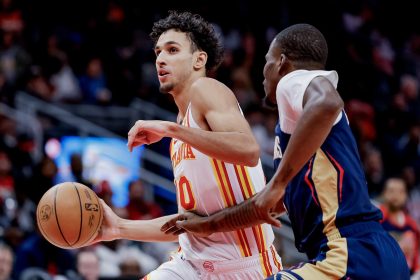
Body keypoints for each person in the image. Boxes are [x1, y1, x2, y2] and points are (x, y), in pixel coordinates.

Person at [161, 23, 410, 279]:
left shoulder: (293, 81)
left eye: (267, 61)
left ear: (281, 62)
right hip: (377, 253)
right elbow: (265, 205)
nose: (263, 72)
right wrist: (210, 224)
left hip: (350, 252)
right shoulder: (301, 138)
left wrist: (278, 183)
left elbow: (328, 102)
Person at [91, 10, 282, 280]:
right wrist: (119, 228)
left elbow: (249, 151)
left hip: (244, 267)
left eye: (172, 50)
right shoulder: (180, 131)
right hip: (190, 265)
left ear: (199, 59)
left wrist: (171, 130)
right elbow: (186, 223)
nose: (160, 59)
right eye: (158, 52)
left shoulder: (207, 90)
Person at [379, 177, 419, 276]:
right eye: (391, 191)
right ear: (384, 193)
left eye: (400, 191)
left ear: (406, 195)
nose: (396, 195)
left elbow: (416, 257)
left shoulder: (412, 225)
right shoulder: (376, 220)